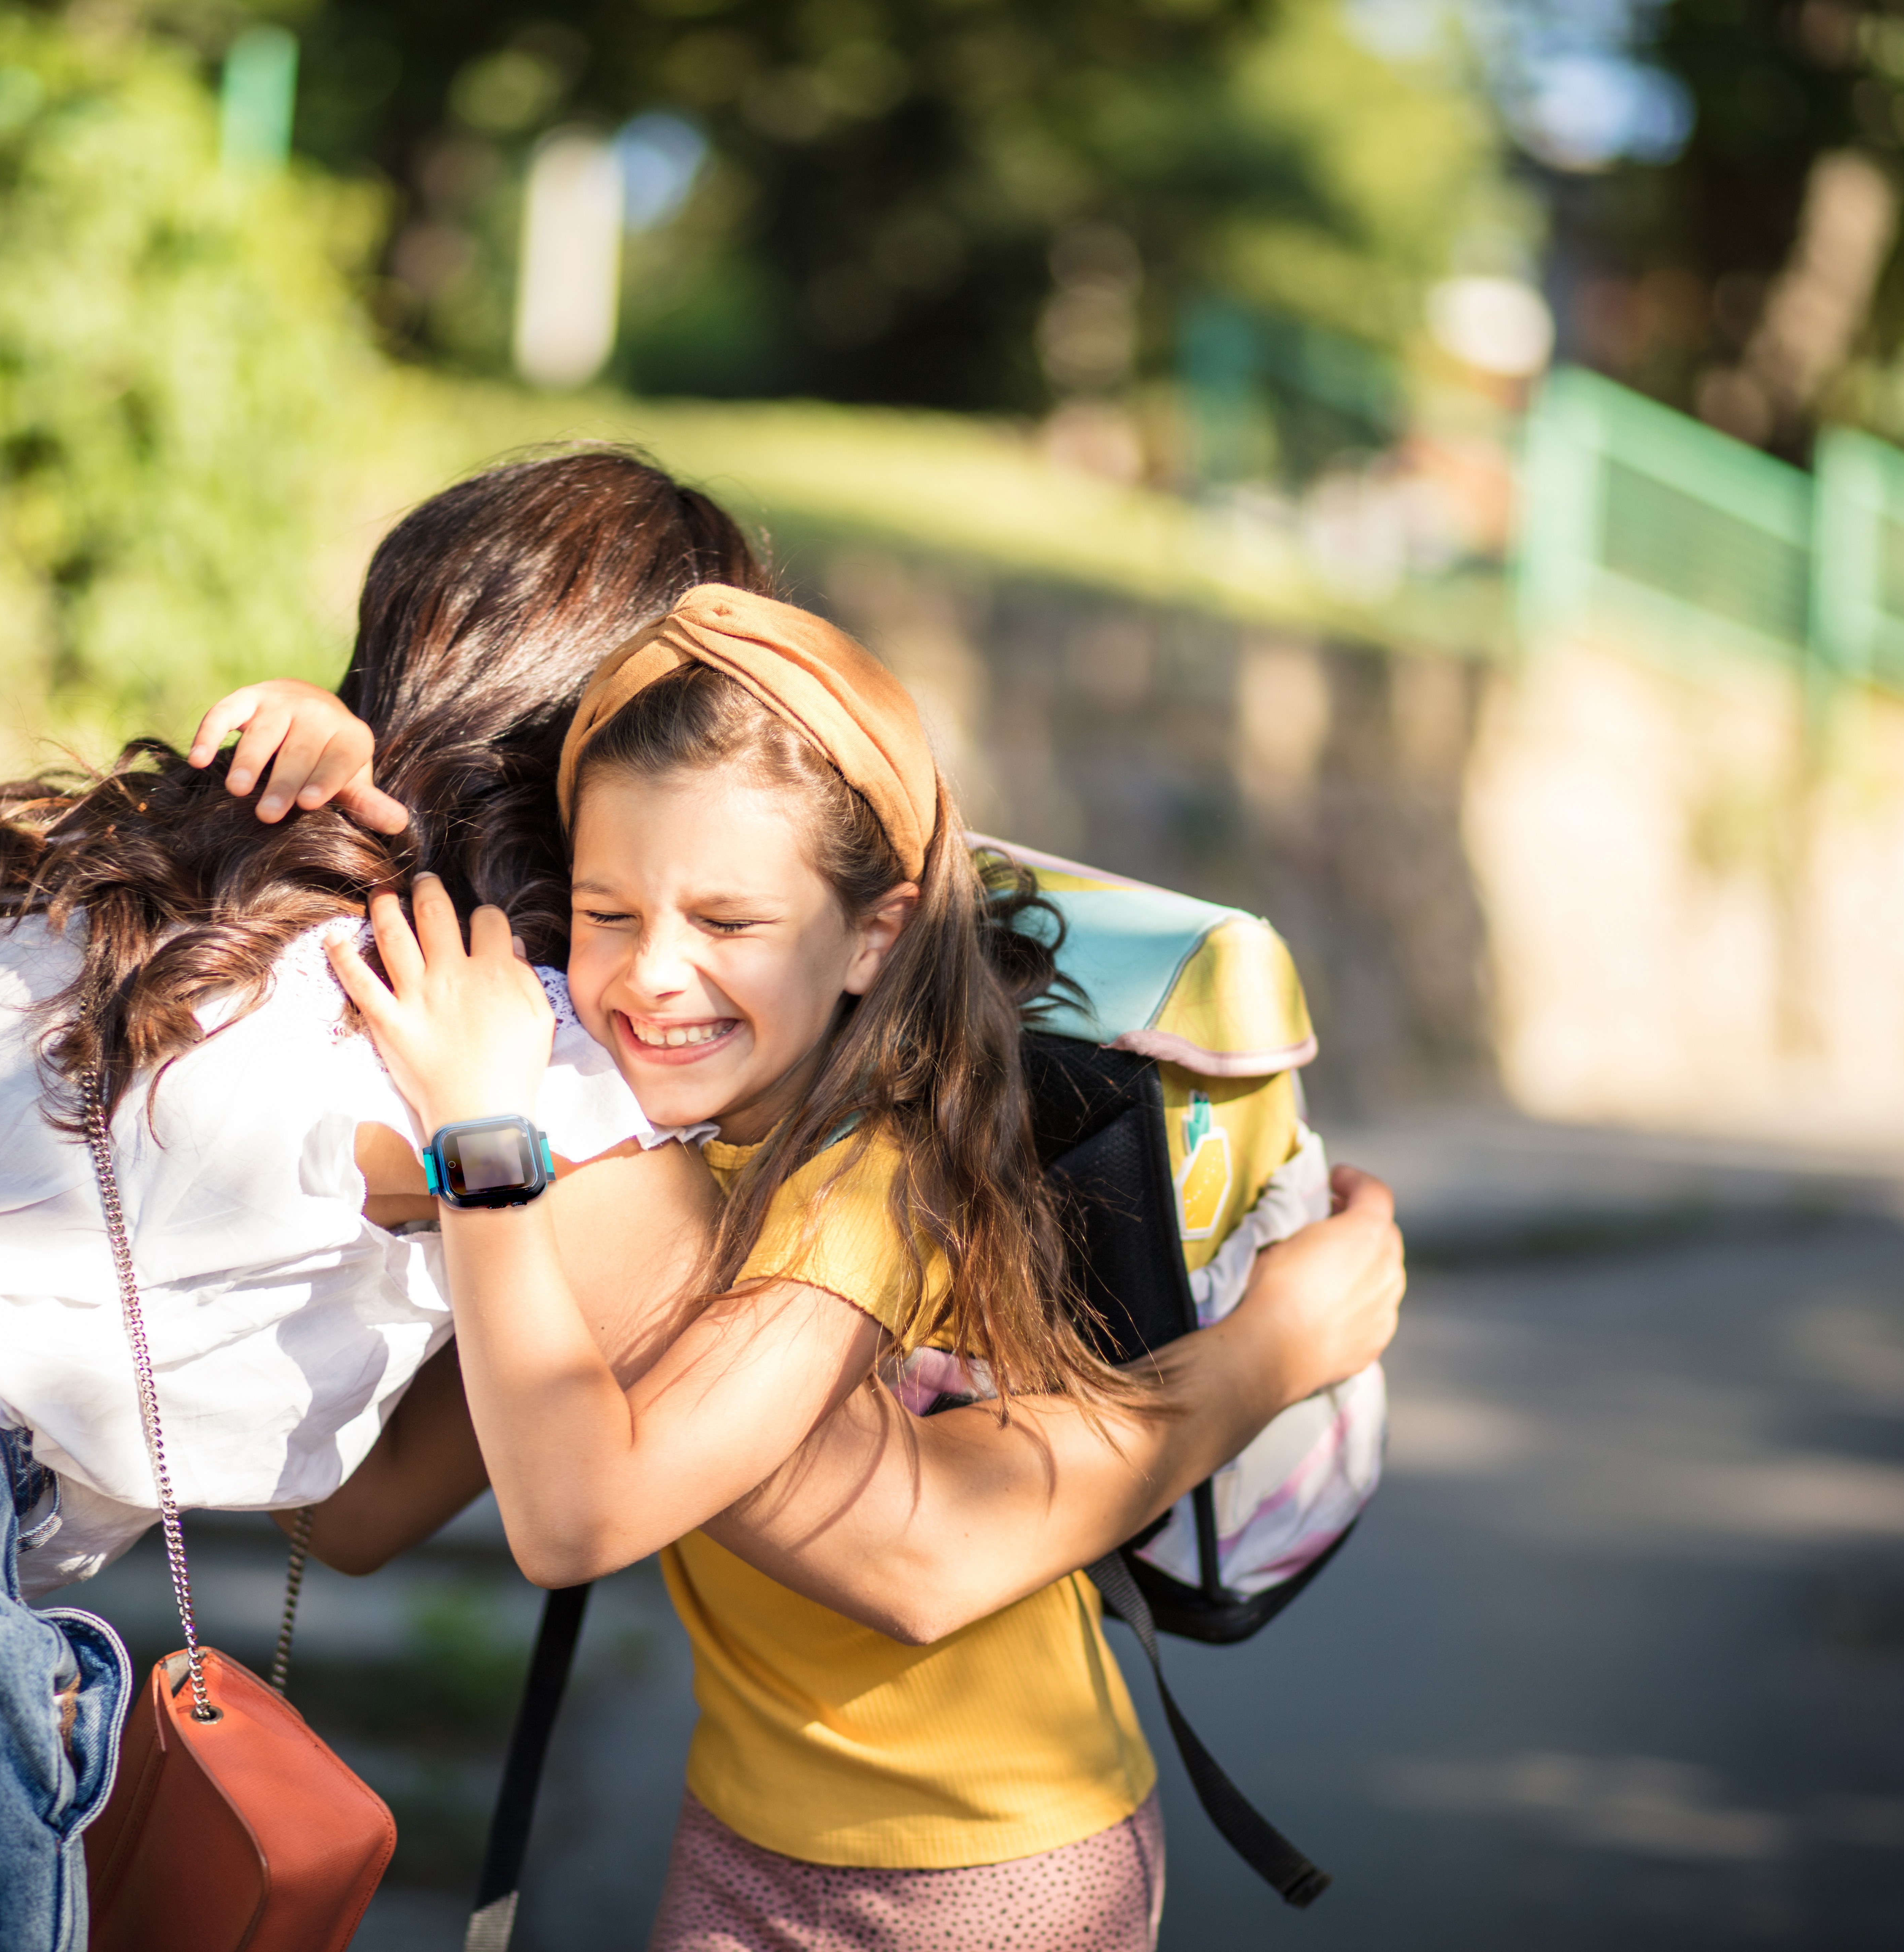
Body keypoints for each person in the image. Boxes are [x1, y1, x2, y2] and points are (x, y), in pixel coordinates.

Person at [0, 453, 1399, 1952]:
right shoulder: (506, 1048)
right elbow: (903, 1543)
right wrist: (1259, 1368)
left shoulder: (52, 878)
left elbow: (359, 1501)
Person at [332, 582, 1372, 1952]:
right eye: (606, 911)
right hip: (746, 1833)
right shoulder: (652, 1159)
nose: (654, 974)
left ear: (869, 936)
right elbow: (354, 1518)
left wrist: (479, 1141)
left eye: (728, 920)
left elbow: (574, 1520)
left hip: (995, 1867)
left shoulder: (872, 1178)